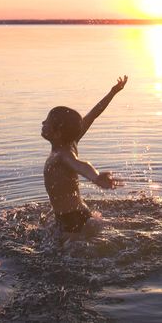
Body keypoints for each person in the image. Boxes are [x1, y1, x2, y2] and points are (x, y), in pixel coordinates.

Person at [41, 75, 128, 240]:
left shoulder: (63, 154)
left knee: (66, 260)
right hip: (79, 211)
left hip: (70, 220)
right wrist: (112, 92)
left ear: (58, 133)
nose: (42, 123)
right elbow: (94, 114)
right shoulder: (71, 141)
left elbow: (80, 165)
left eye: (47, 122)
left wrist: (95, 177)